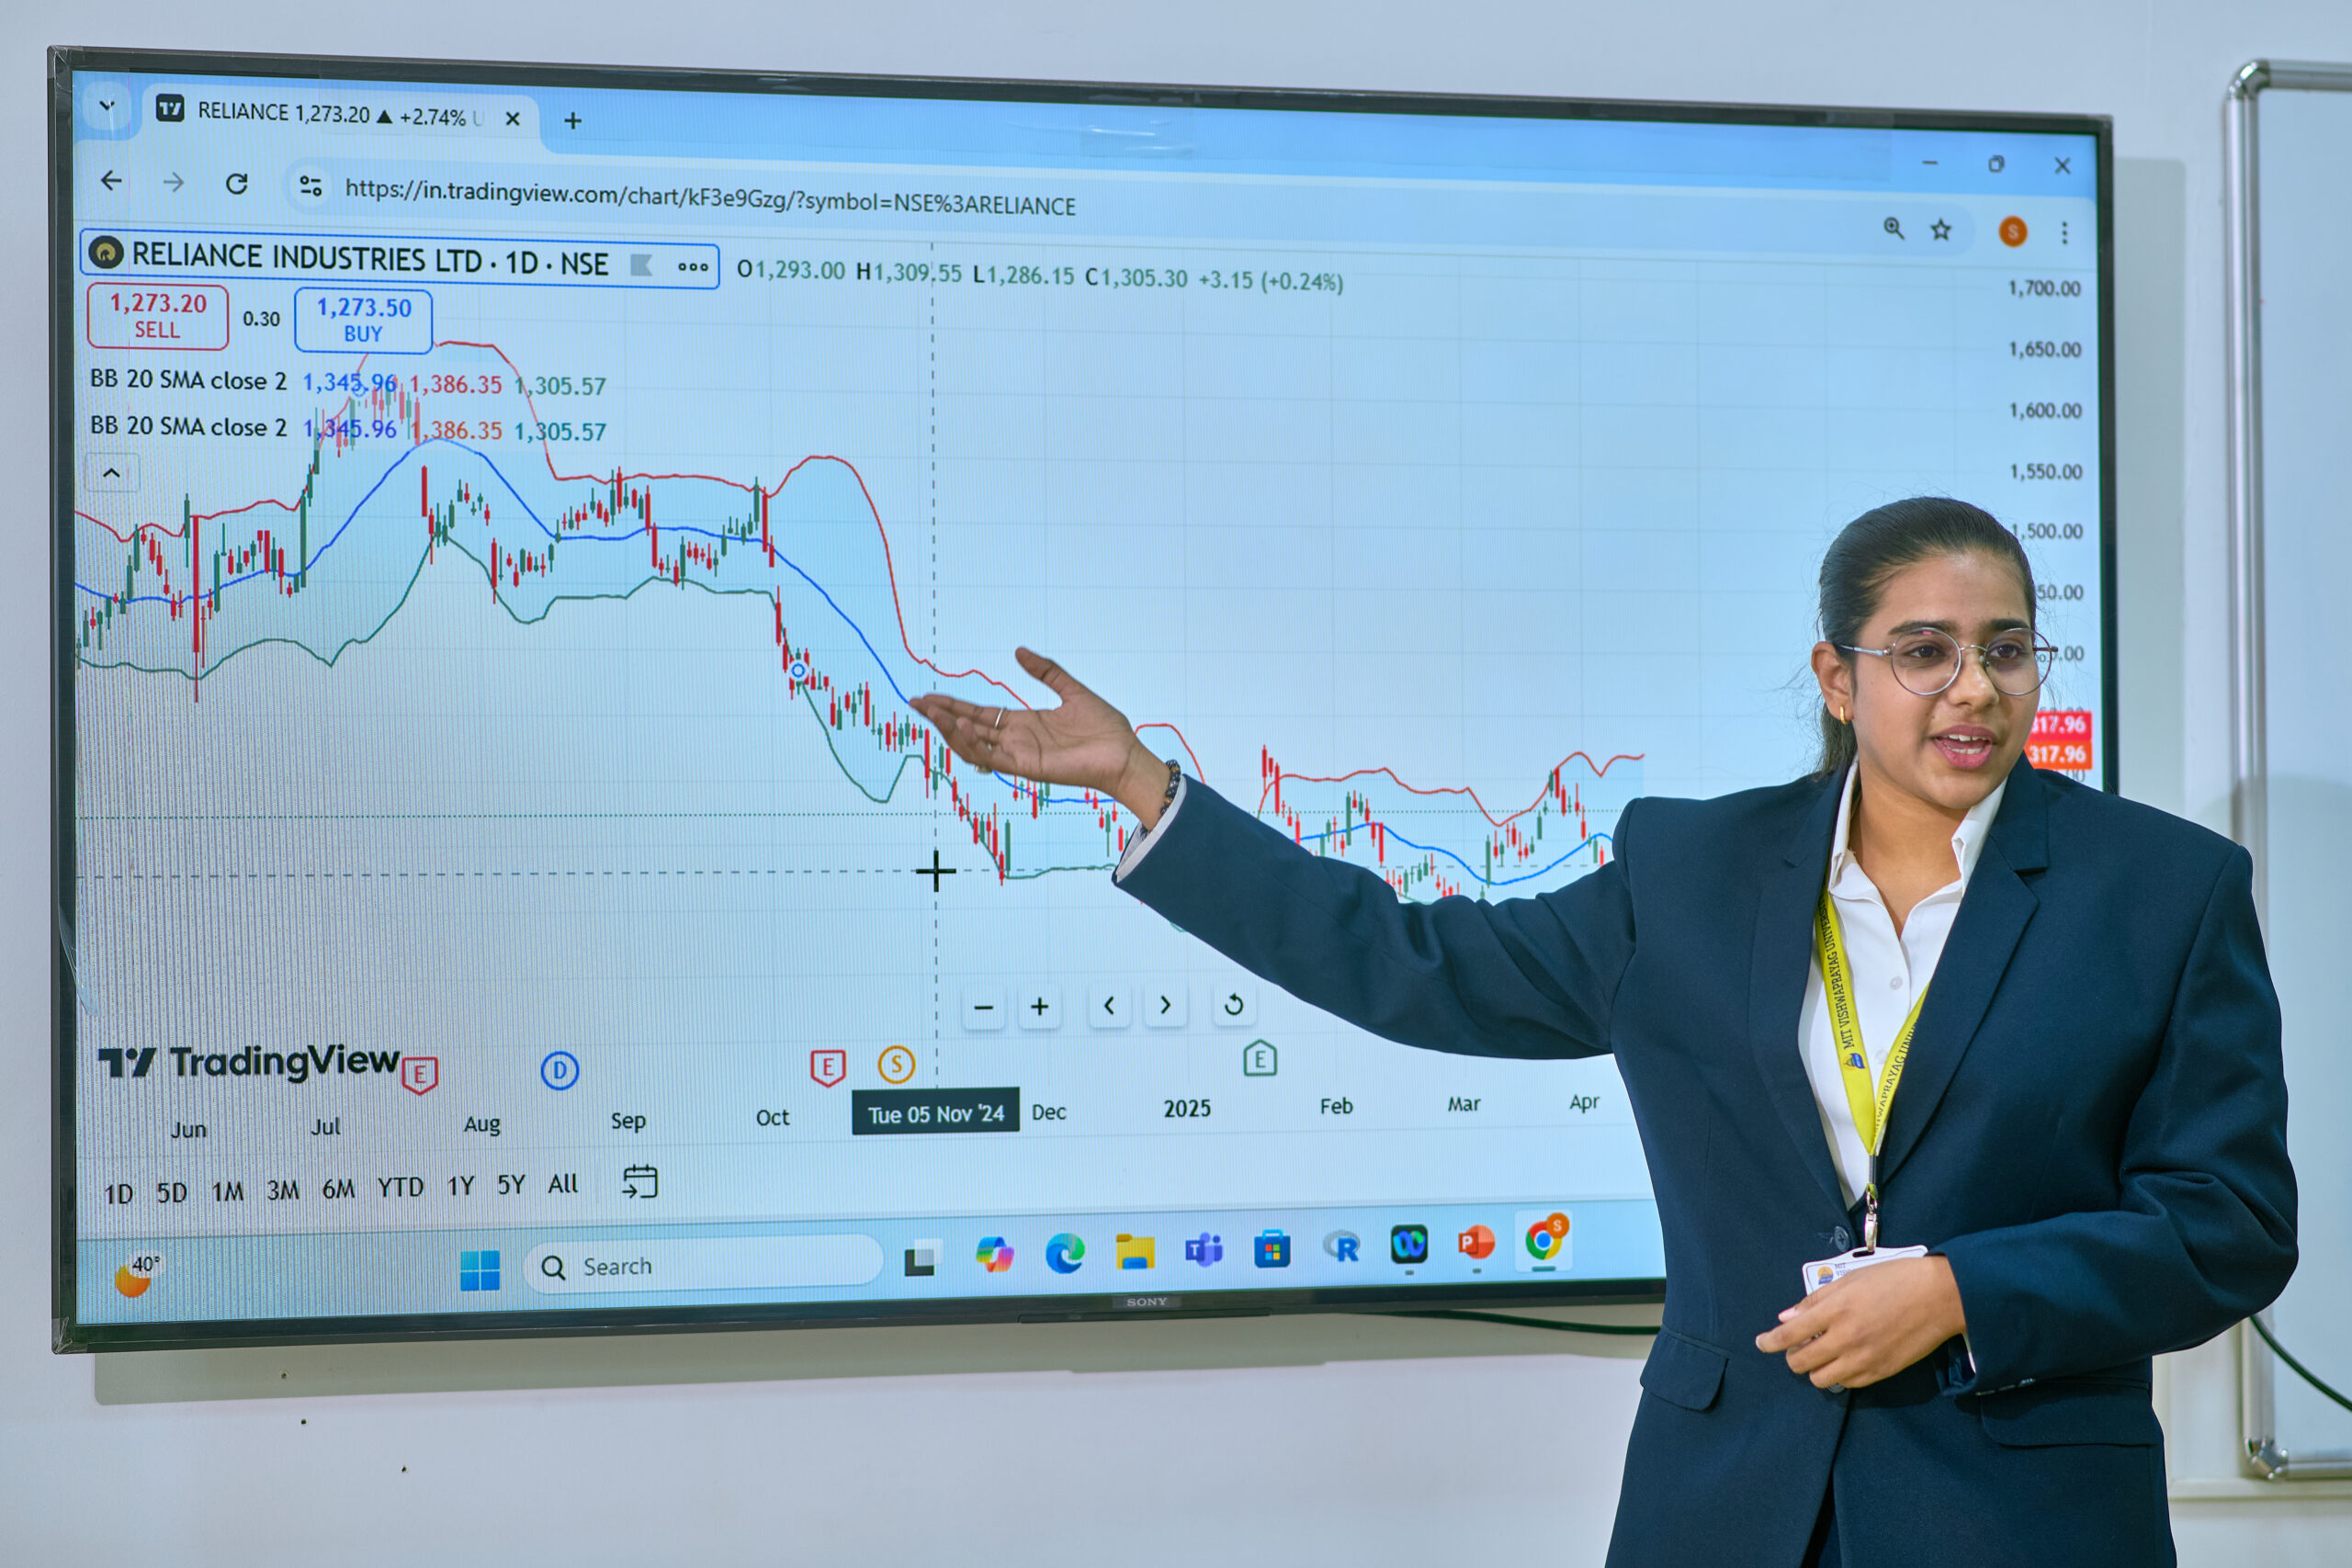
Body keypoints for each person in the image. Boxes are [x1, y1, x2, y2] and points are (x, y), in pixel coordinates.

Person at [910, 497, 2295, 1567]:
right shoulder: (1693, 873)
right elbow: (1416, 968)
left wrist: (1964, 1293)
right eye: (1924, 652)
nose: (1974, 688)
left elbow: (2228, 1224)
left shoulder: (2162, 892)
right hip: (1729, 1508)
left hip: (2024, 1515)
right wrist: (1147, 791)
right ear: (1837, 675)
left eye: (2006, 650)